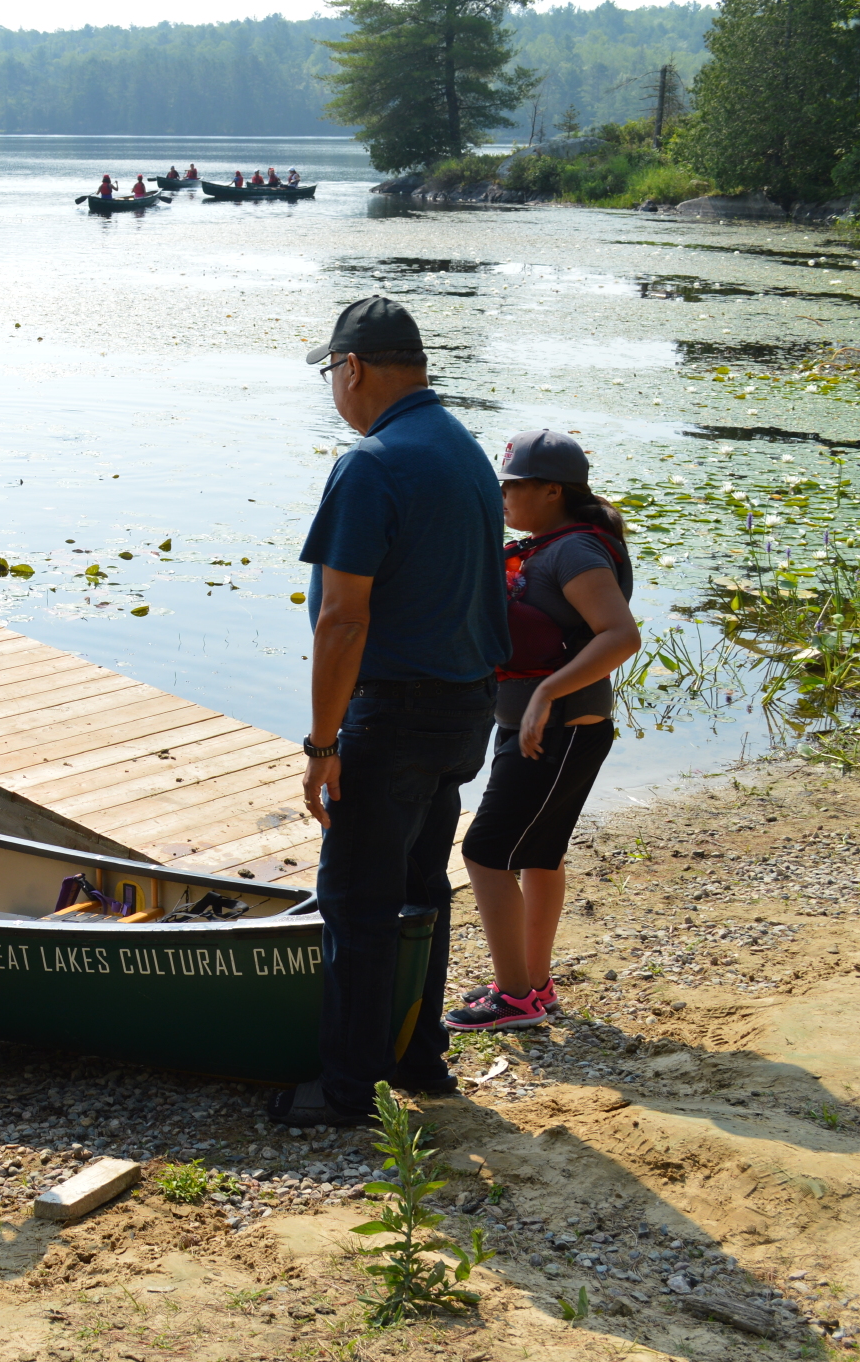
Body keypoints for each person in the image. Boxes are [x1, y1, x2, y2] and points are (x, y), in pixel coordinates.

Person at [278, 295, 509, 1127]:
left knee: (359, 904)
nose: (334, 391)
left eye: (332, 374)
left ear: (353, 368)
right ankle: (420, 1058)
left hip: (396, 713)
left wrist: (321, 743)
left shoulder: (372, 462)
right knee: (421, 894)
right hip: (463, 709)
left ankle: (348, 1091)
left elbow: (344, 618)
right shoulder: (461, 446)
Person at [447, 433, 638, 1031]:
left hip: (559, 730)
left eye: (514, 485)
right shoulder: (546, 547)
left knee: (484, 853)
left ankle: (514, 998)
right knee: (537, 854)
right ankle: (534, 983)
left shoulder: (574, 553)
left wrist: (547, 693)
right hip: (543, 728)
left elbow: (620, 636)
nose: (503, 495)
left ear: (553, 489)